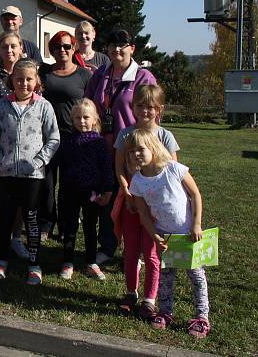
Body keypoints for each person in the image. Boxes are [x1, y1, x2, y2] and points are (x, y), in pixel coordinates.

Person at [126, 129, 211, 338]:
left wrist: (197, 224)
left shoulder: (174, 169)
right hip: (165, 238)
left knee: (197, 277)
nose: (136, 154)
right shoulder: (137, 181)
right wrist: (155, 235)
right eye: (131, 151)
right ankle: (165, 312)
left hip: (189, 236)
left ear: (153, 148)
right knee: (166, 278)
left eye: (141, 149)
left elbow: (195, 194)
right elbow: (144, 214)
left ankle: (202, 317)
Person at [85, 28, 157, 265]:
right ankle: (107, 246)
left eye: (122, 45)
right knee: (108, 200)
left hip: (132, 152)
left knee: (135, 200)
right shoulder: (100, 75)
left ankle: (135, 249)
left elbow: (151, 115)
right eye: (112, 45)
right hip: (103, 151)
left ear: (132, 49)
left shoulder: (142, 77)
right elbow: (89, 106)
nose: (117, 49)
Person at [0, 58, 60, 285]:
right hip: (6, 173)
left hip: (33, 175)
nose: (24, 84)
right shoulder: (1, 106)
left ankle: (34, 264)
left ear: (36, 81)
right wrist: (0, 158)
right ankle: (2, 261)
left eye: (29, 79)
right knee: (6, 217)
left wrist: (39, 161)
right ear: (12, 80)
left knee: (31, 218)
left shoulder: (43, 106)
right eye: (19, 79)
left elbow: (54, 138)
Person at [112, 84, 179, 317]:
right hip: (130, 202)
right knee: (130, 250)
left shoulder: (165, 137)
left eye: (150, 107)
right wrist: (126, 190)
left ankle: (150, 298)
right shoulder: (125, 134)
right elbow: (119, 166)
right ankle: (131, 292)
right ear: (133, 107)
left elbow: (173, 173)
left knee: (151, 253)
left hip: (155, 207)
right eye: (140, 106)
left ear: (159, 109)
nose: (145, 111)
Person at [39, 31, 92, 239]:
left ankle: (65, 225)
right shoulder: (44, 72)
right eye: (57, 47)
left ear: (74, 49)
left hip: (73, 137)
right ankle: (46, 223)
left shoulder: (84, 75)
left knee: (69, 185)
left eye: (67, 46)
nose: (62, 50)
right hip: (48, 136)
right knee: (47, 183)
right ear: (51, 50)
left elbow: (91, 106)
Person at [57, 99, 113, 281]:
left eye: (86, 117)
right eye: (78, 118)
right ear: (72, 120)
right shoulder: (67, 141)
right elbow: (62, 165)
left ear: (95, 119)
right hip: (71, 191)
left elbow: (106, 168)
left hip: (93, 193)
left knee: (90, 227)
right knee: (70, 226)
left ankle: (91, 262)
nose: (82, 121)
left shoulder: (99, 143)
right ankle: (67, 261)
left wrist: (107, 190)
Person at [0, 30, 28, 260]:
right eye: (5, 47)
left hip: (24, 149)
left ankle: (16, 238)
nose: (9, 51)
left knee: (21, 197)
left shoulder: (29, 73)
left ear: (21, 47)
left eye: (14, 46)